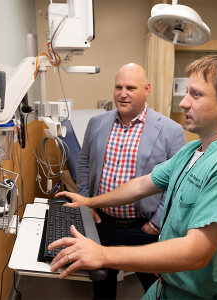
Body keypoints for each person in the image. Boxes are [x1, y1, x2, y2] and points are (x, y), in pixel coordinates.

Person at [49, 55, 217, 300]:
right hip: (169, 284)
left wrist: (102, 254)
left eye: (196, 95)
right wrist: (90, 202)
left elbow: (196, 252)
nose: (184, 102)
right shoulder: (192, 150)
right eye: (187, 92)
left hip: (205, 294)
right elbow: (143, 184)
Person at [76, 63, 186, 299]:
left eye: (130, 87)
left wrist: (156, 223)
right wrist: (88, 203)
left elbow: (176, 184)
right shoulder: (97, 124)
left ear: (146, 89)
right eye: (118, 87)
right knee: (102, 288)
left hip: (143, 229)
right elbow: (84, 163)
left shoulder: (170, 130)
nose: (122, 93)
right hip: (102, 225)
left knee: (156, 290)